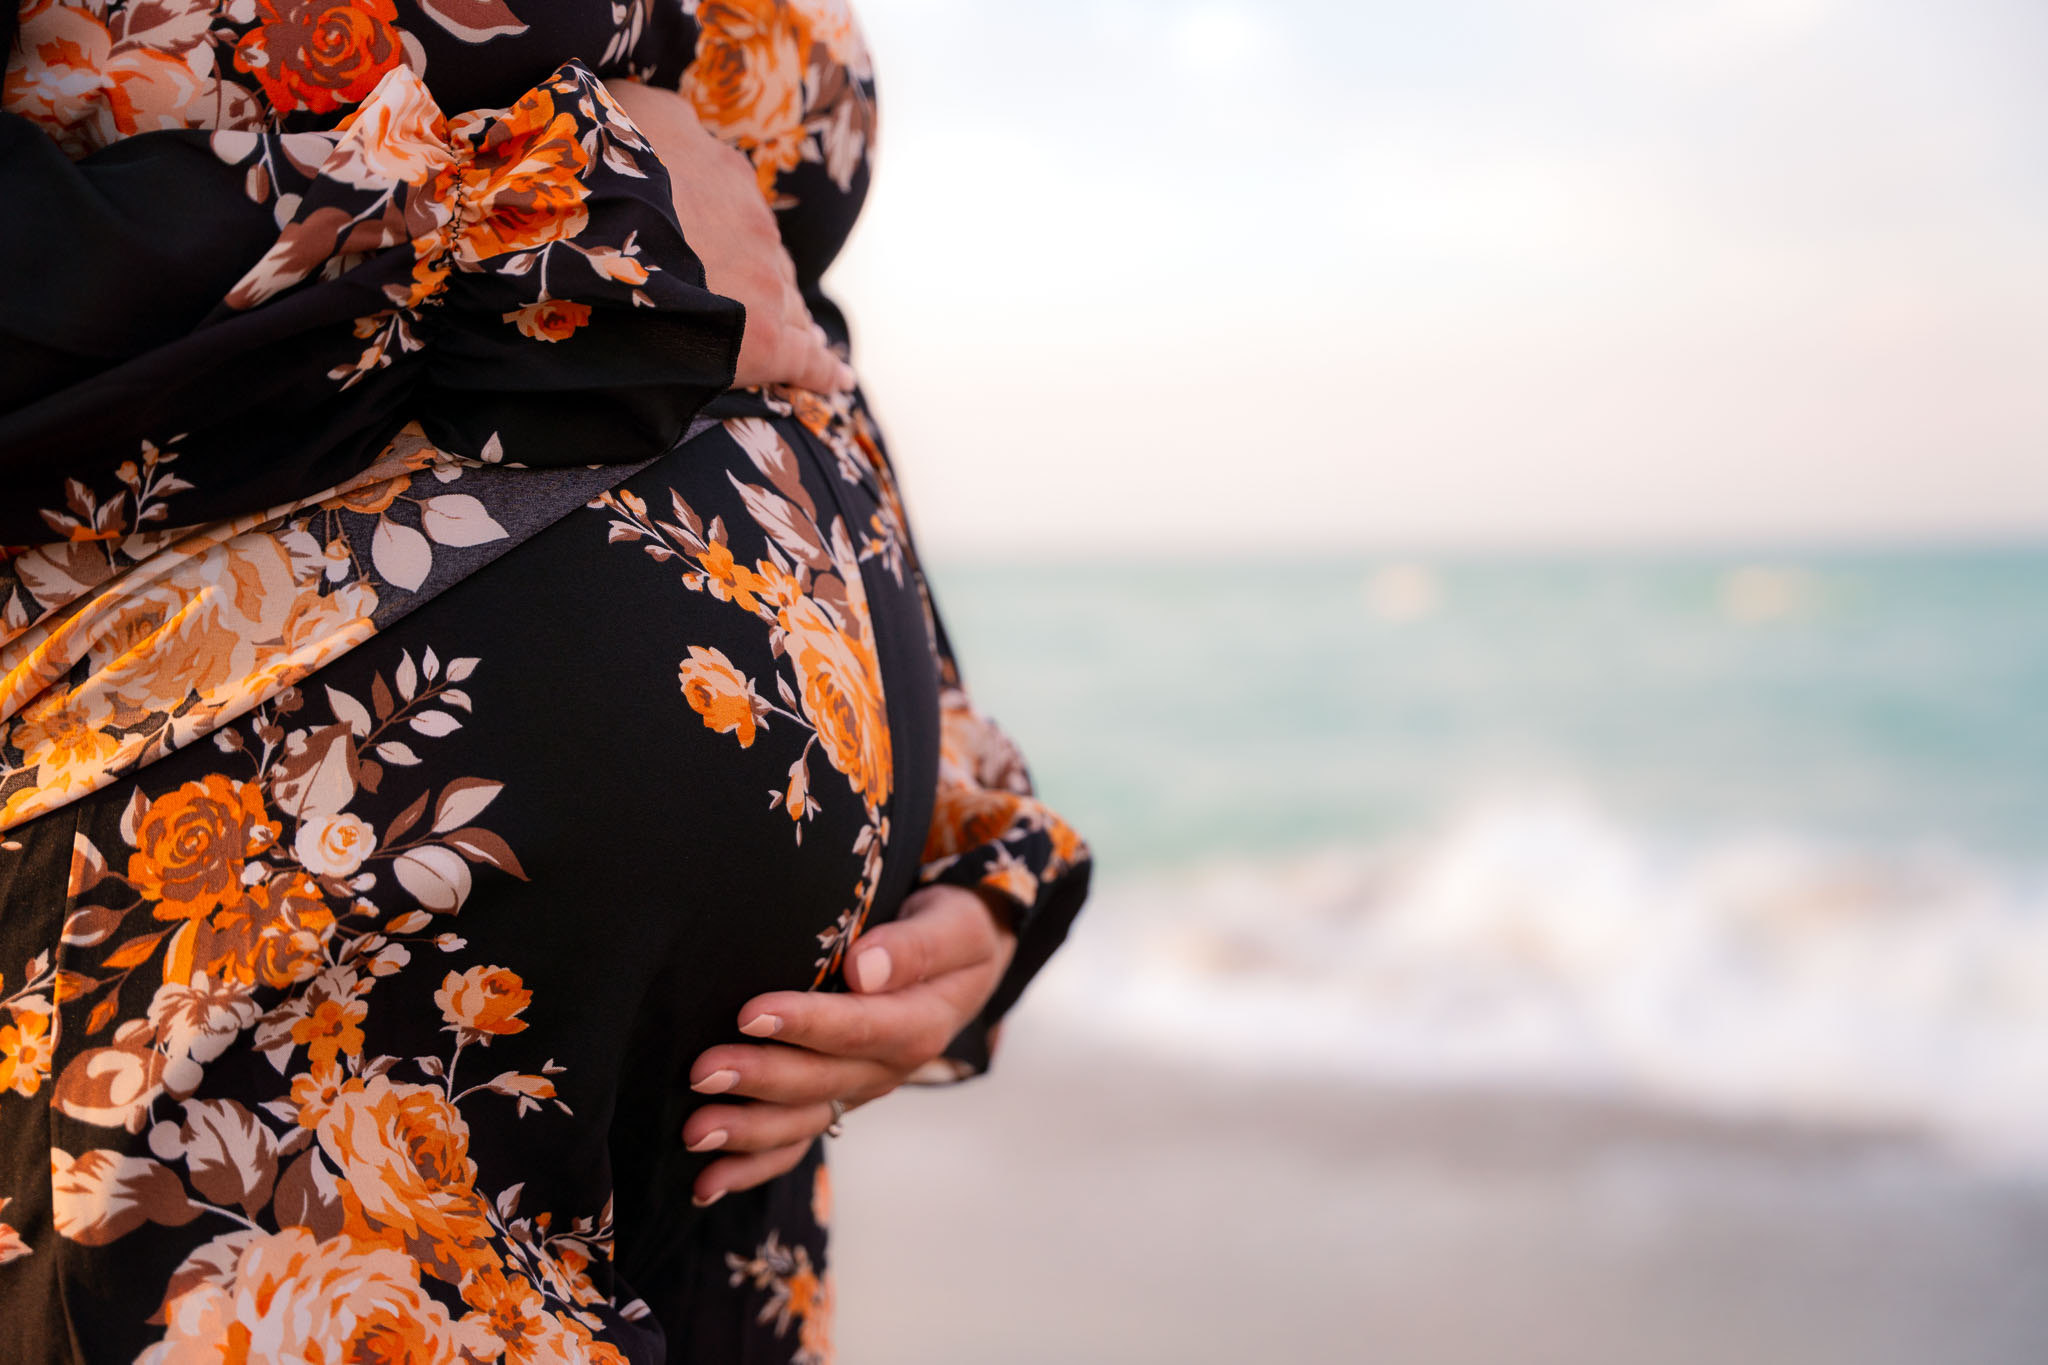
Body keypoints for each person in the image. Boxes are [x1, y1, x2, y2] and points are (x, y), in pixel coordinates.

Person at [0, 1, 1091, 1359]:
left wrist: (966, 849)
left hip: (719, 1187)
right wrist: (555, 222)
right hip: (267, 1054)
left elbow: (765, 333)